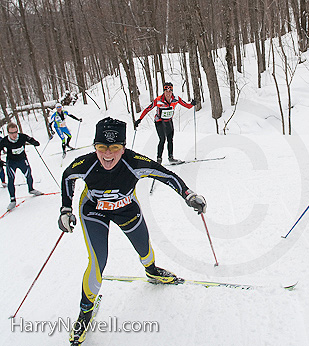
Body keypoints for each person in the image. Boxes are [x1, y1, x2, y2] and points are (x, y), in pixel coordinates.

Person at [59, 117, 206, 344]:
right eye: (101, 148)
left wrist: (189, 195)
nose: (108, 155)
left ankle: (152, 271)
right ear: (95, 147)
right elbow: (68, 176)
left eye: (115, 148)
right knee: (98, 261)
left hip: (126, 210)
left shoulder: (134, 162)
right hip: (93, 212)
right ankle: (85, 311)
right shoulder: (86, 164)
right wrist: (66, 209)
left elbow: (166, 175)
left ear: (123, 147)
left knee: (144, 248)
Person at [134, 82, 196, 164]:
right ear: (164, 91)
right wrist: (139, 119)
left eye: (170, 91)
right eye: (166, 91)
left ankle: (171, 158)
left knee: (170, 139)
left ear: (172, 91)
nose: (168, 93)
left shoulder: (176, 99)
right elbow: (147, 109)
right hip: (159, 122)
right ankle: (159, 159)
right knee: (162, 140)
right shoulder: (158, 100)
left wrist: (192, 104)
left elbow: (187, 106)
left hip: (168, 121)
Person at [0, 123, 43, 211]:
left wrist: (35, 143)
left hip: (22, 160)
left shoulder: (22, 137)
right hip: (11, 162)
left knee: (28, 175)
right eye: (12, 133)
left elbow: (31, 140)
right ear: (8, 133)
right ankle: (12, 200)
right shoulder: (4, 140)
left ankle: (31, 189)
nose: (14, 135)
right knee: (11, 179)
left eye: (15, 132)